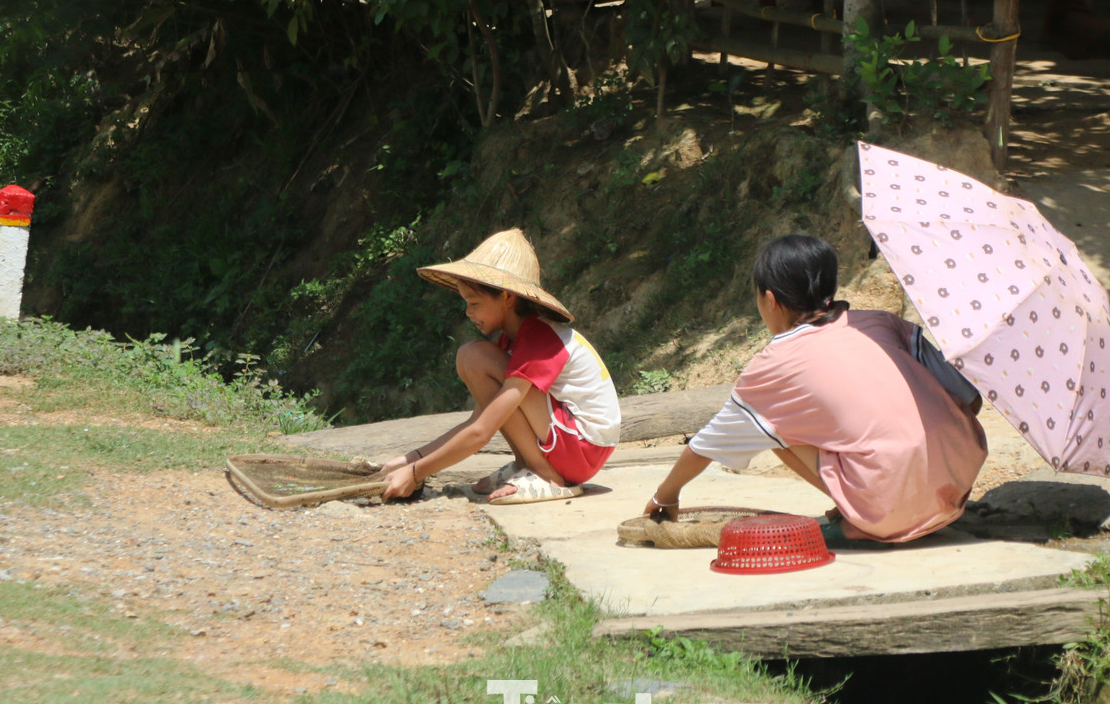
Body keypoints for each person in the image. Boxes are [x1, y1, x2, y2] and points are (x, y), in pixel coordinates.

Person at [643, 234, 987, 547]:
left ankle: (861, 518)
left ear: (770, 300)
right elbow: (969, 398)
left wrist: (665, 496)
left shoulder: (773, 366)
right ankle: (875, 496)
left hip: (891, 512)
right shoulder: (884, 323)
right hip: (956, 484)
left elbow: (706, 445)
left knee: (774, 427)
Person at [381, 228, 621, 504]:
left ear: (507, 298)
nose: (469, 312)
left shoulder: (540, 338)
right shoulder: (513, 341)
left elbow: (483, 430)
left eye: (474, 303)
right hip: (573, 447)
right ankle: (526, 463)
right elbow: (478, 420)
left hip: (582, 450)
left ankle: (547, 476)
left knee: (473, 356)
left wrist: (415, 472)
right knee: (473, 357)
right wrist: (411, 459)